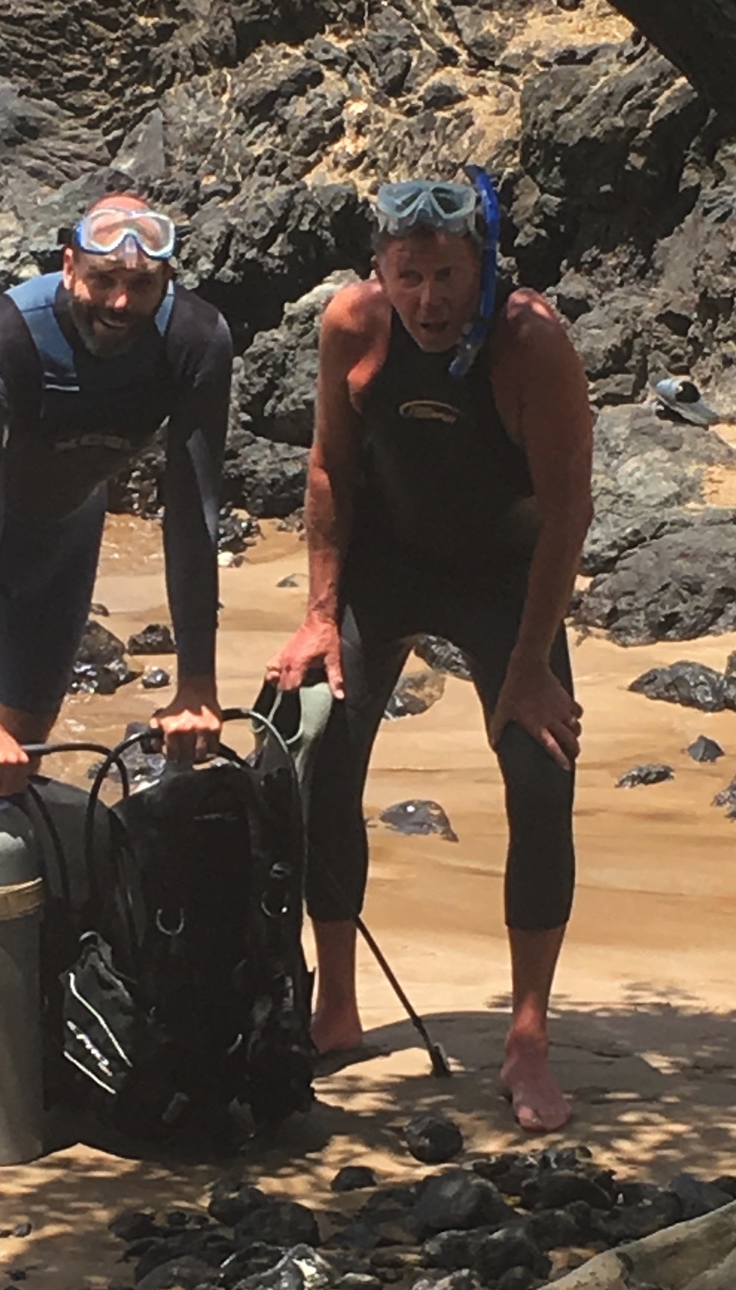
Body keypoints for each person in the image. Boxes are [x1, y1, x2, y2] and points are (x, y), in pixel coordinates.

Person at [266, 174, 593, 1133]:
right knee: (315, 746)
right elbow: (330, 466)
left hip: (503, 578)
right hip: (387, 566)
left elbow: (567, 512)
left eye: (448, 275)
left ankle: (527, 1040)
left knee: (541, 772)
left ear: (482, 269)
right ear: (380, 269)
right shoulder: (353, 325)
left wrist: (528, 665)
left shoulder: (530, 344)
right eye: (407, 276)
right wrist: (320, 614)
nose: (428, 299)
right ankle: (335, 1004)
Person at [0, 192, 232, 792]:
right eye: (103, 279)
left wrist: (196, 684)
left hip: (64, 539)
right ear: (70, 266)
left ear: (168, 280)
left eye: (141, 284)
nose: (120, 302)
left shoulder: (197, 342)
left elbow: (192, 511)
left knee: (21, 762)